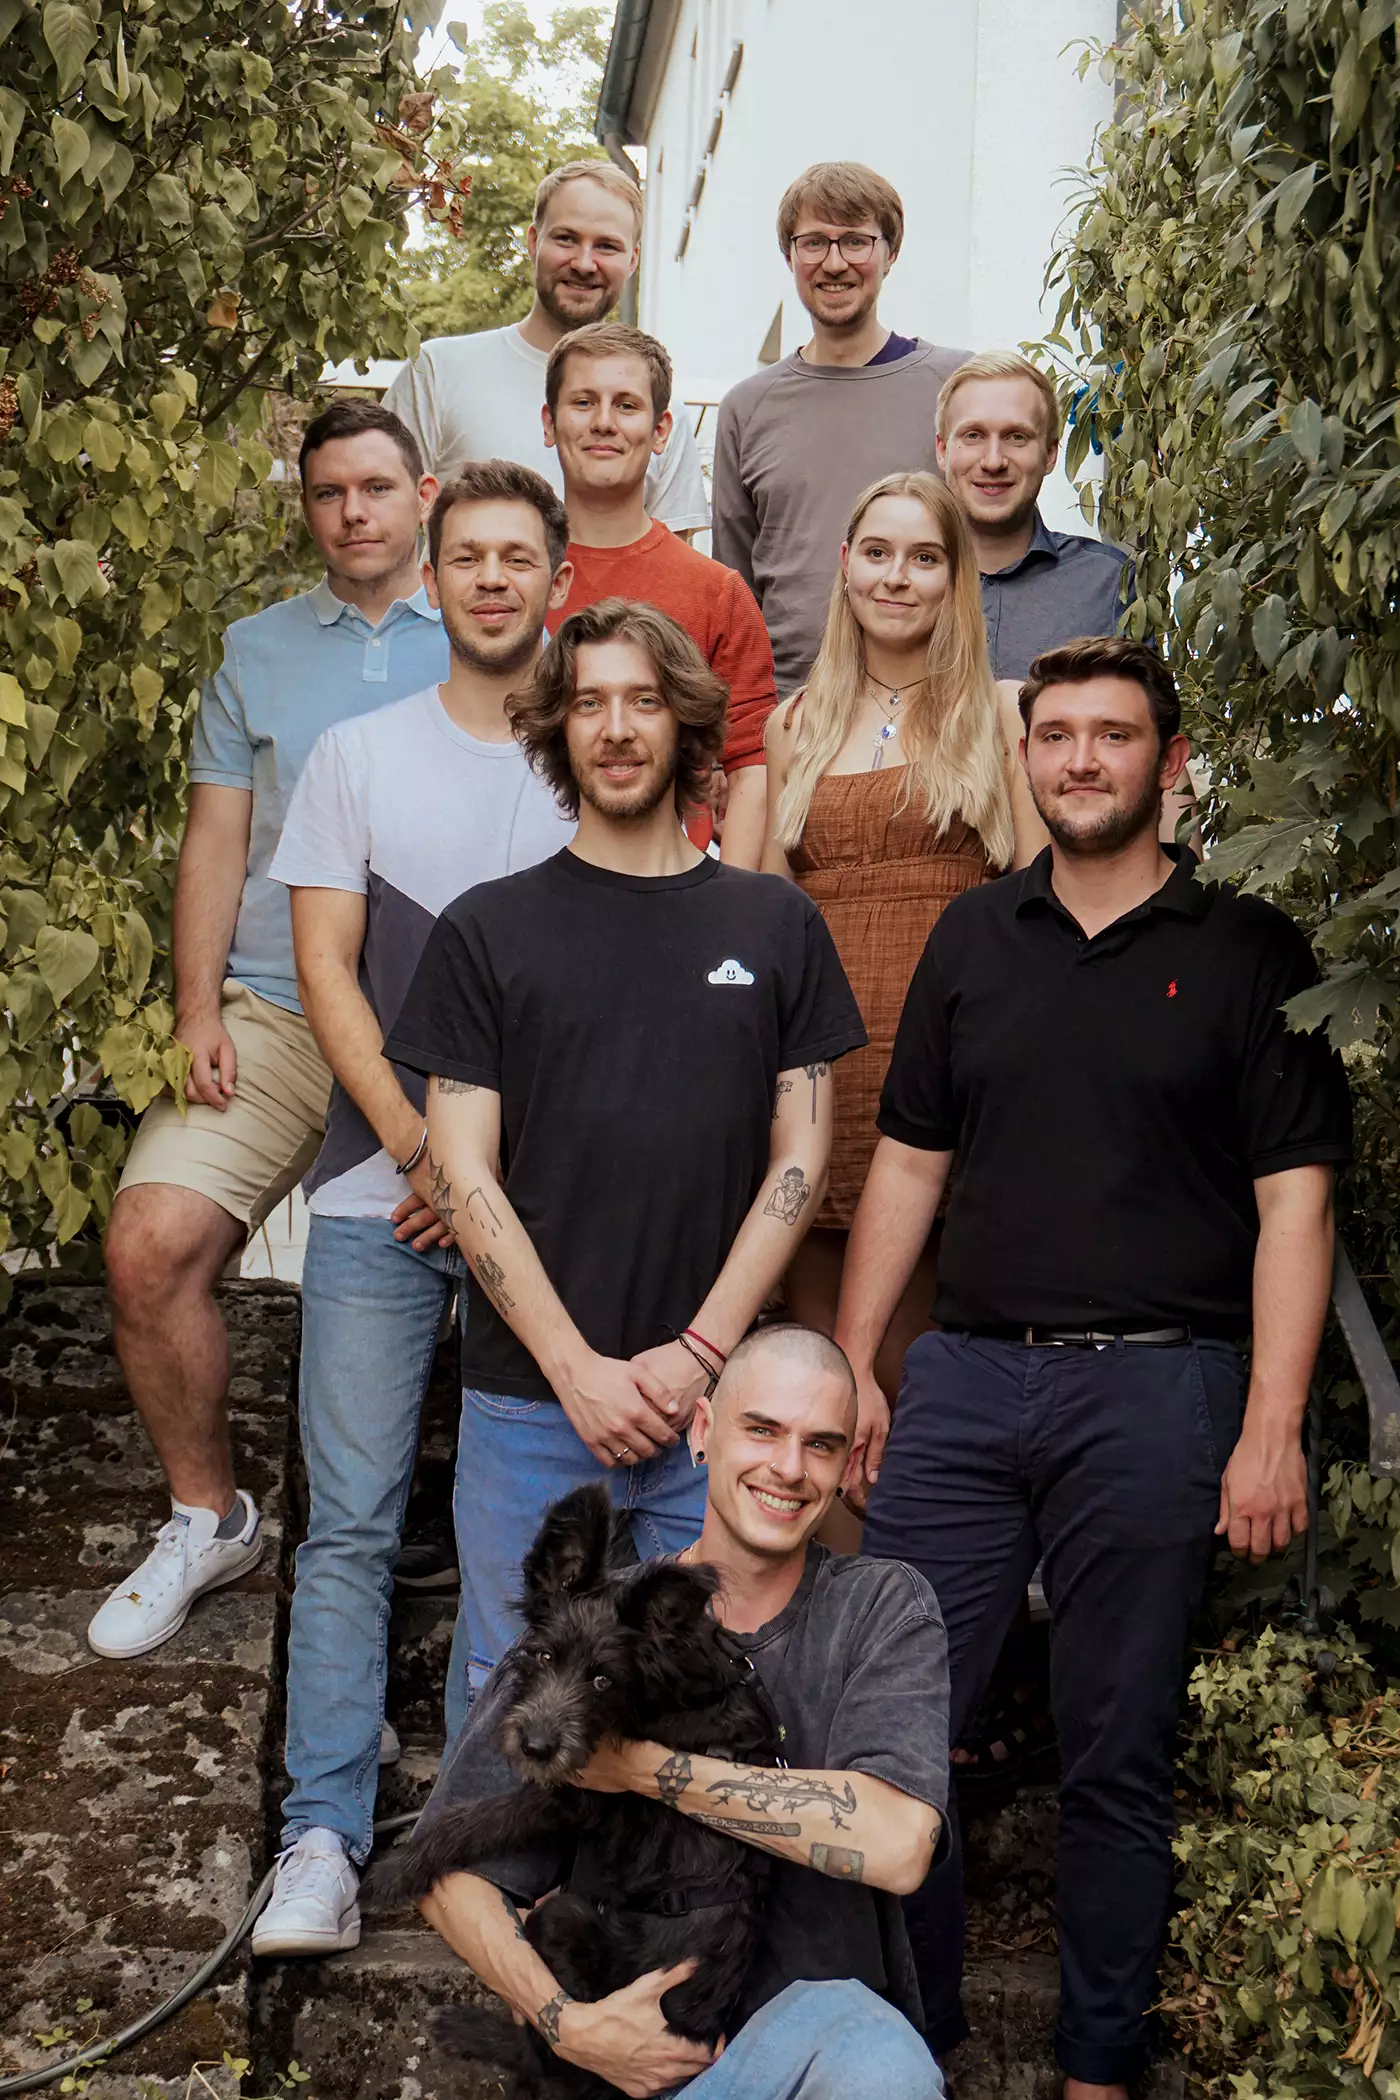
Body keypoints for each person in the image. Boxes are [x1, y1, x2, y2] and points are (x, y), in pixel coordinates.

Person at [835, 635, 1352, 2095]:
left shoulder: (1250, 954)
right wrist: (867, 1362)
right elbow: (910, 1164)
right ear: (1027, 761)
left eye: (1111, 736)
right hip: (968, 1385)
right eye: (1054, 736)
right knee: (891, 1744)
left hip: (1160, 1391)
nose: (1079, 760)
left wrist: (1271, 1424)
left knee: (1116, 1757)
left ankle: (1098, 2072)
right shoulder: (973, 941)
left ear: (1166, 764)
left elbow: (1293, 1205)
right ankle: (908, 2049)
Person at [382, 598, 868, 1721]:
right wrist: (576, 1371)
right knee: (515, 1723)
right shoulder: (486, 930)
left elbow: (799, 1160)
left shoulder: (773, 926)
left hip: (719, 1419)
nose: (614, 728)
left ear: (685, 724)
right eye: (589, 703)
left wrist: (700, 1359)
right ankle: (492, 1907)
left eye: (643, 701)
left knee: (721, 1712)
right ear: (557, 732)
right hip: (529, 1408)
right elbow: (461, 1174)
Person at [248, 462, 576, 1956]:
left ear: (558, 582)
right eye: (471, 557)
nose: (494, 578)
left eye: (521, 556)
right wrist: (428, 1156)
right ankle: (318, 1838)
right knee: (352, 1532)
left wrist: (490, 1184)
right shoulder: (356, 754)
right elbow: (327, 973)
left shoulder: (598, 756)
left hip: (547, 1220)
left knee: (518, 1544)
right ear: (432, 580)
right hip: (379, 1203)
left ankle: (474, 1838)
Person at [90, 403, 446, 1663]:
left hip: (448, 1031)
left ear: (425, 493)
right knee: (149, 1242)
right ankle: (210, 1517)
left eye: (375, 488)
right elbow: (217, 838)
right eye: (327, 492)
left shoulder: (497, 630)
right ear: (306, 507)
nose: (353, 512)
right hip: (280, 1012)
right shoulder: (254, 650)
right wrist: (197, 1007)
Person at [410, 1322, 949, 2100]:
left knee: (882, 2062)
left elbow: (900, 1844)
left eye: (820, 1444)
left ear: (843, 1465)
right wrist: (568, 2023)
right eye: (761, 1430)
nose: (788, 1468)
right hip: (627, 2061)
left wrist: (642, 1770)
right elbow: (450, 1874)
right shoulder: (591, 1625)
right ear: (703, 1434)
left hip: (813, 2050)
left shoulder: (881, 1610)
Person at [762, 471, 1041, 1402]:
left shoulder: (1000, 714)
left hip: (946, 1076)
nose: (897, 577)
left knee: (914, 1373)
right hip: (818, 1076)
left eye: (924, 558)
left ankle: (919, 1554)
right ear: (844, 568)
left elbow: (1043, 909)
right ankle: (835, 1555)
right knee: (821, 1378)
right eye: (877, 553)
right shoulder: (794, 726)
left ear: (955, 578)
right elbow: (763, 918)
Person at [712, 162, 966, 696]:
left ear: (890, 254)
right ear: (789, 256)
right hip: (788, 712)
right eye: (814, 243)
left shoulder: (952, 387)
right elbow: (735, 593)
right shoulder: (746, 408)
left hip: (934, 706)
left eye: (856, 241)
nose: (834, 263)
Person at [544, 320, 777, 867]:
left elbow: (753, 768)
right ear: (549, 422)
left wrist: (728, 907)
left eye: (626, 405)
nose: (604, 422)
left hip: (672, 894)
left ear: (662, 428)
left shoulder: (714, 591)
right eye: (583, 402)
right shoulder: (509, 581)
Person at [384, 159, 708, 536]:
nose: (585, 263)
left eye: (606, 246)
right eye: (566, 239)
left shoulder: (657, 409)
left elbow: (672, 572)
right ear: (534, 241)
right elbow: (384, 528)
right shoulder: (438, 372)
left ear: (632, 259)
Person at [935, 351, 1133, 682]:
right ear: (942, 450)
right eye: (973, 436)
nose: (993, 461)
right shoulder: (895, 583)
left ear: (1051, 454)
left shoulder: (1110, 584)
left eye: (1017, 437)